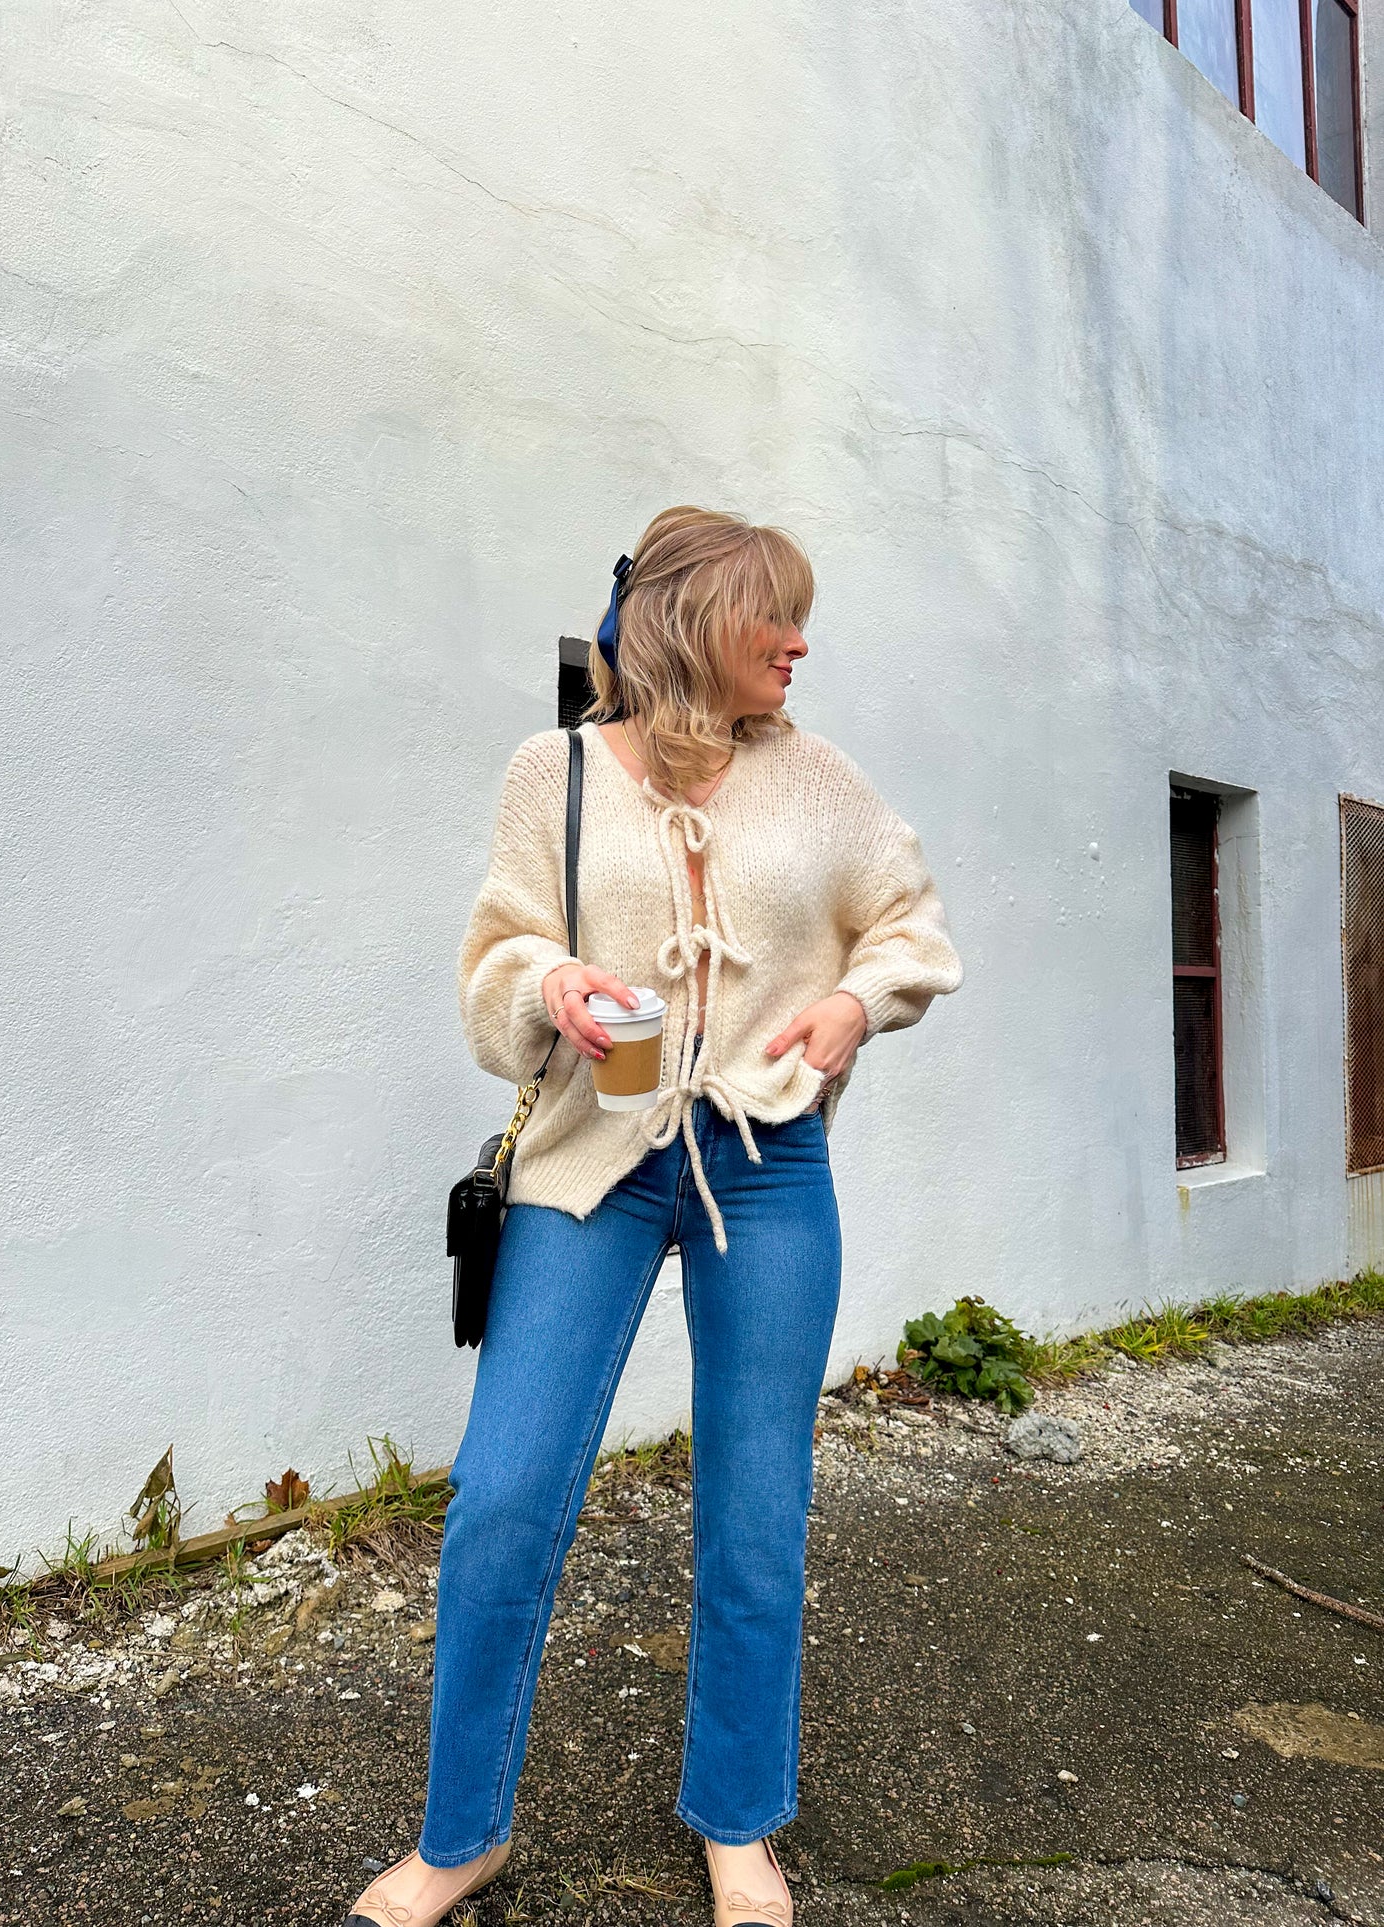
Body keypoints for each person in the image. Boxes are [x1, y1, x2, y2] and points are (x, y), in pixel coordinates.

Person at [341, 506, 964, 1927]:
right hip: (588, 1165)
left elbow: (909, 924)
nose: (800, 643)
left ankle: (738, 1825)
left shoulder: (818, 782)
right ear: (692, 624)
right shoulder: (549, 770)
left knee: (756, 1512)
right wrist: (546, 986)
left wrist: (850, 1004)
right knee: (501, 1503)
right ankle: (460, 1837)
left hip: (767, 1168)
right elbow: (500, 948)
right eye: (773, 620)